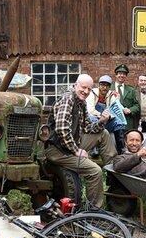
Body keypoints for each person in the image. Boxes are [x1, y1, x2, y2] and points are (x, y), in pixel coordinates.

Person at [44, 74, 117, 208]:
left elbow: (88, 127)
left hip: (69, 145)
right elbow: (61, 129)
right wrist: (76, 150)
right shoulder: (68, 99)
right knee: (95, 171)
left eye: (89, 89)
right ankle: (94, 210)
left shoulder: (81, 102)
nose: (86, 91)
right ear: (75, 85)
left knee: (104, 133)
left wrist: (102, 121)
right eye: (83, 87)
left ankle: (114, 173)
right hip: (57, 150)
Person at [86, 75, 126, 153]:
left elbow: (115, 110)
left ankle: (121, 150)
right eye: (103, 85)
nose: (105, 88)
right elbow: (90, 110)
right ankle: (94, 149)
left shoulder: (111, 95)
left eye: (107, 86)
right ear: (99, 85)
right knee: (92, 118)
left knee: (119, 122)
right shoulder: (92, 93)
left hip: (106, 120)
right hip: (93, 122)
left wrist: (109, 116)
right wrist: (101, 116)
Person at [112, 64, 140, 130]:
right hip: (113, 121)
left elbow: (137, 105)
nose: (122, 75)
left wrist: (130, 110)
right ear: (116, 75)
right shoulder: (110, 88)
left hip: (127, 123)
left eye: (124, 74)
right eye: (120, 73)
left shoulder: (131, 90)